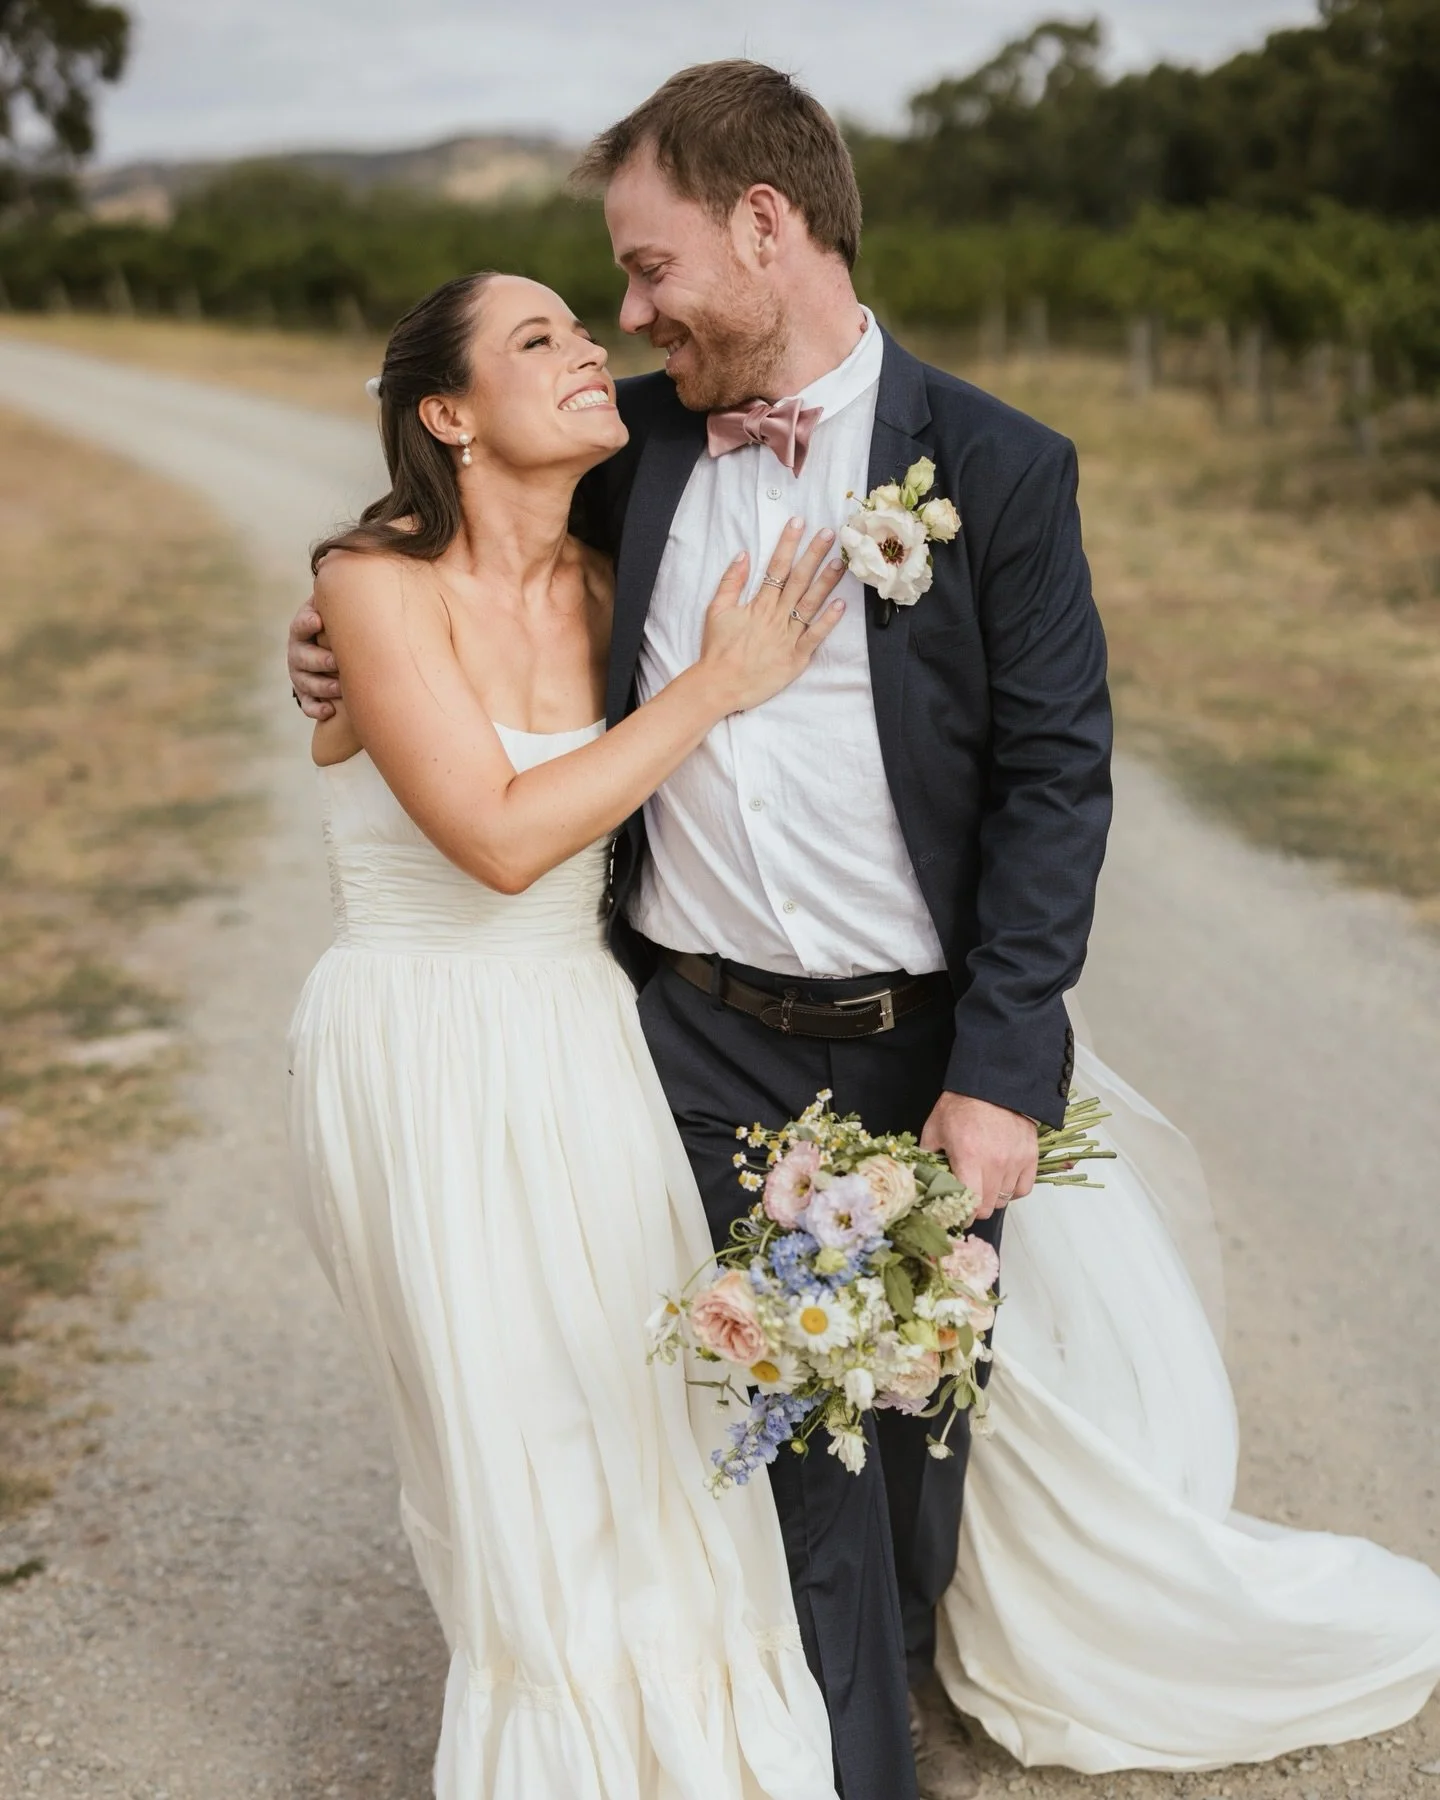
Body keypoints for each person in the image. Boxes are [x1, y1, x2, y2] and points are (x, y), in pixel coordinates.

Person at [294, 62, 1110, 1800]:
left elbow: (1056, 779)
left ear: (765, 224)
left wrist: (1003, 1071)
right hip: (689, 1041)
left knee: (912, 1438)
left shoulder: (998, 469)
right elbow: (450, 585)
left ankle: (887, 1677)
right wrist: (337, 659)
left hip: (923, 1042)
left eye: (648, 271)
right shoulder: (637, 453)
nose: (628, 316)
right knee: (763, 1446)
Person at [288, 266, 851, 1799]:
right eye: (541, 338)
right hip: (423, 1047)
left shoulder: (617, 585)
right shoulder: (370, 584)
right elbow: (499, 837)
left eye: (589, 327)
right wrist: (716, 689)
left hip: (584, 1040)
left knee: (649, 1416)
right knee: (513, 1444)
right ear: (449, 416)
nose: (591, 346)